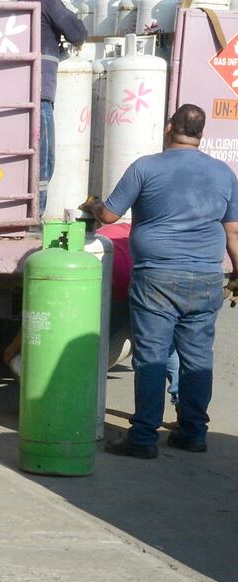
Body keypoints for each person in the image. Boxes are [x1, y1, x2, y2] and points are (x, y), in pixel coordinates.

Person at [82, 104, 238, 458]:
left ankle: (143, 438)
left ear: (169, 127)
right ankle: (193, 433)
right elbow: (234, 231)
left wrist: (93, 206)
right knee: (198, 356)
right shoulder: (223, 173)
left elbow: (110, 214)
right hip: (207, 277)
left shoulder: (146, 166)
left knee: (150, 356)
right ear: (202, 134)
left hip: (157, 275)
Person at [40, 0, 86, 211]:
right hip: (39, 93)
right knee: (43, 162)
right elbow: (77, 33)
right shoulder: (48, 2)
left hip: (12, 90)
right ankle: (34, 215)